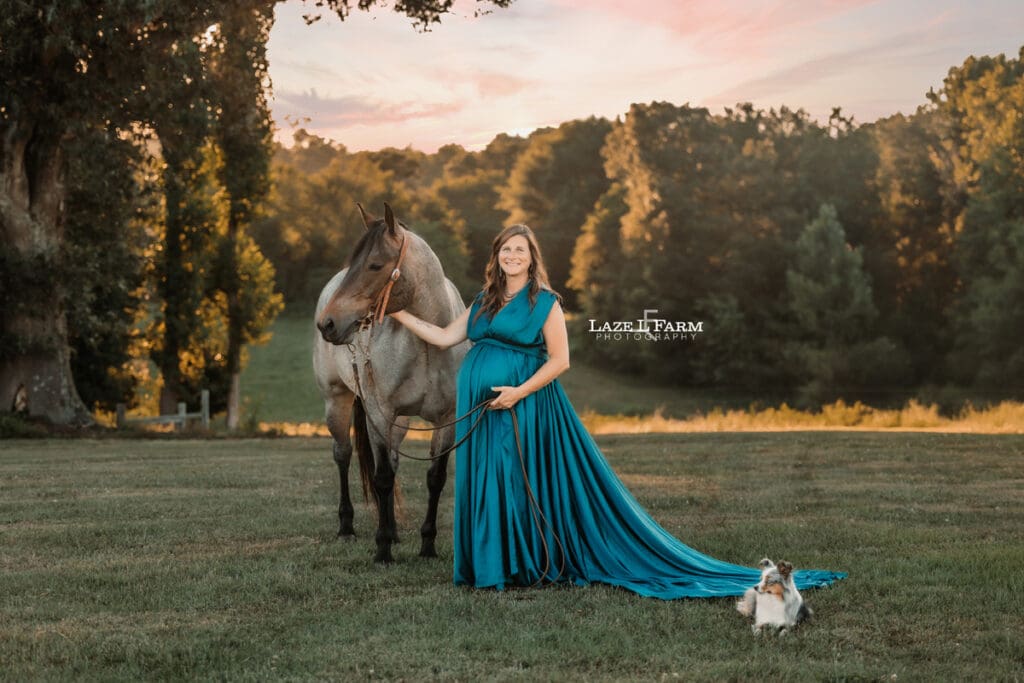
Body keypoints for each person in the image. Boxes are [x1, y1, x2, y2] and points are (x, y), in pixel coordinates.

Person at [390, 224, 845, 598]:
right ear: (497, 256)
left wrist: (518, 392)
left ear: (532, 258)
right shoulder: (484, 300)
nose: (513, 256)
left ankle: (518, 565)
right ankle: (486, 564)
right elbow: (445, 336)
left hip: (522, 406)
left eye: (521, 250)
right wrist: (398, 314)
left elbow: (560, 360)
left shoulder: (544, 302)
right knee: (485, 478)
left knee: (513, 479)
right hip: (481, 406)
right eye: (506, 249)